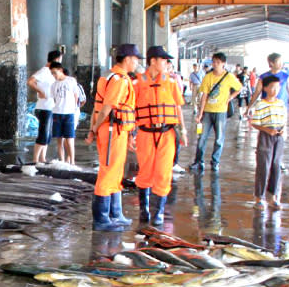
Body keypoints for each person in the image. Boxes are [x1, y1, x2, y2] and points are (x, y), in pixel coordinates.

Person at [86, 44, 141, 231]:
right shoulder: (119, 80)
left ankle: (115, 213)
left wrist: (93, 128)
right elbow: (107, 107)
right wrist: (94, 128)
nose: (137, 62)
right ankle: (101, 219)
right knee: (108, 172)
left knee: (116, 172)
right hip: (112, 130)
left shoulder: (111, 76)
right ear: (127, 59)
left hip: (117, 130)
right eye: (135, 59)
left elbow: (97, 107)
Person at [134, 46, 188, 225]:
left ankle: (158, 213)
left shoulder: (171, 82)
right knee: (145, 172)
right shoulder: (138, 82)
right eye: (163, 60)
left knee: (164, 173)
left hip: (167, 133)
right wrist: (129, 134)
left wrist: (184, 130)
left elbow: (178, 107)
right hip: (145, 133)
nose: (166, 63)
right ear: (153, 61)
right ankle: (144, 210)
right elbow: (131, 109)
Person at [190, 52, 242, 173]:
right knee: (202, 137)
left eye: (218, 62)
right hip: (208, 112)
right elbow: (204, 96)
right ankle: (198, 161)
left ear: (224, 64)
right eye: (214, 62)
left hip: (221, 112)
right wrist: (200, 113)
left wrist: (230, 98)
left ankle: (215, 162)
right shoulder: (208, 77)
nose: (215, 65)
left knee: (219, 139)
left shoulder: (229, 77)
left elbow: (239, 88)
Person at [250, 75, 287, 209]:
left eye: (277, 87)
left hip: (278, 137)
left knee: (276, 166)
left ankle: (274, 196)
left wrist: (282, 130)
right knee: (263, 167)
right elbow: (255, 123)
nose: (275, 90)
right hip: (265, 137)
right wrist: (266, 129)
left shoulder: (281, 103)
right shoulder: (261, 104)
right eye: (272, 87)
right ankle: (259, 197)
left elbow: (283, 120)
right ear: (265, 88)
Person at [28, 50, 62, 163]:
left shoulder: (52, 72)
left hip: (50, 107)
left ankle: (42, 158)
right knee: (43, 133)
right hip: (44, 107)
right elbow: (31, 81)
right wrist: (41, 91)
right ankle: (35, 159)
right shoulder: (44, 71)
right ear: (56, 59)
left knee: (48, 134)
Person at [49, 62, 80, 165]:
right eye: (52, 74)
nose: (53, 75)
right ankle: (62, 161)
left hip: (69, 113)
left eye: (54, 73)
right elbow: (54, 98)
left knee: (70, 139)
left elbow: (76, 95)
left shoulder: (71, 81)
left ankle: (72, 162)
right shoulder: (53, 85)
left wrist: (74, 108)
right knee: (59, 140)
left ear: (60, 70)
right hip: (57, 113)